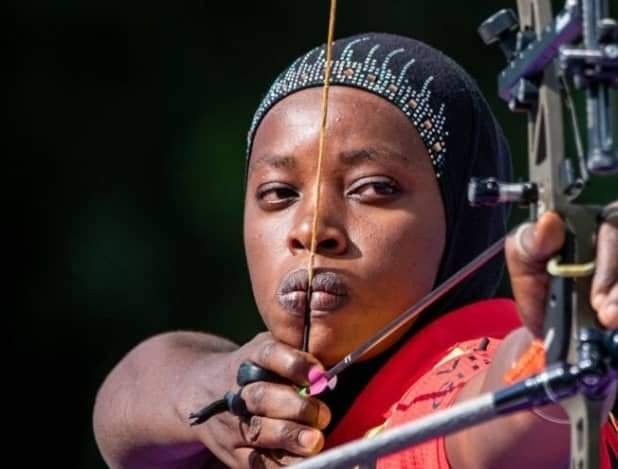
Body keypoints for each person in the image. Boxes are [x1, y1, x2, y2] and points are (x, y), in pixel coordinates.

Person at [92, 33, 617, 468]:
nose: (312, 229)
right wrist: (216, 382)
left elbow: (511, 425)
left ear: (466, 215)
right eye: (278, 194)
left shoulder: (467, 382)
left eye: (374, 188)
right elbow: (128, 398)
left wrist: (560, 350)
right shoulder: (255, 413)